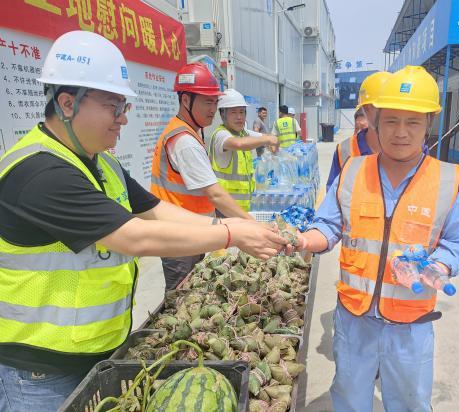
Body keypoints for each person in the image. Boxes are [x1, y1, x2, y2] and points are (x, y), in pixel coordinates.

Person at [0, 31, 289, 411]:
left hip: (98, 349)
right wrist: (231, 234)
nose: (123, 118)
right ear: (67, 103)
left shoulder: (100, 162)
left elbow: (154, 209)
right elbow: (132, 237)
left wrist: (231, 229)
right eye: (113, 106)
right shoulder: (40, 172)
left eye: (124, 106)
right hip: (41, 369)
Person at [295, 65, 459, 411]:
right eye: (391, 121)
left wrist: (438, 266)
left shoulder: (448, 181)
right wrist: (304, 240)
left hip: (410, 325)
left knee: (409, 402)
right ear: (375, 122)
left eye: (413, 122)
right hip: (354, 319)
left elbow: (456, 243)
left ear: (428, 124)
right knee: (348, 397)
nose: (401, 132)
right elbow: (328, 225)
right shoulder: (353, 171)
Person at [151, 64, 258, 291]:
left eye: (214, 102)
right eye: (207, 102)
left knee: (191, 292)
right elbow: (216, 194)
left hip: (189, 231)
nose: (212, 109)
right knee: (180, 300)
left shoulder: (188, 131)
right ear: (186, 101)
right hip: (178, 238)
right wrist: (253, 226)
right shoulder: (184, 140)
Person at [208, 89, 279, 212]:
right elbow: (239, 144)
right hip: (223, 209)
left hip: (241, 209)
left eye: (242, 112)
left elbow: (264, 137)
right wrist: (268, 140)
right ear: (222, 114)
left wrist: (273, 140)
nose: (239, 117)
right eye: (233, 112)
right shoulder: (221, 135)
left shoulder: (243, 133)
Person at [325, 71, 391, 191]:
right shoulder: (345, 150)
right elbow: (333, 196)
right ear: (366, 110)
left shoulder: (411, 150)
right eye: (384, 109)